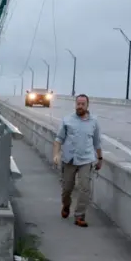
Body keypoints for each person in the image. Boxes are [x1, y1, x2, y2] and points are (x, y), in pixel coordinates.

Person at [52, 94, 102, 227]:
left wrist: (100, 158)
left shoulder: (94, 122)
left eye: (82, 104)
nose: (80, 106)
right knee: (67, 188)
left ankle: (79, 215)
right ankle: (66, 205)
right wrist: (56, 154)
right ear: (75, 104)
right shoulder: (67, 120)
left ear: (87, 105)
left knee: (85, 188)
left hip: (86, 159)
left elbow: (97, 142)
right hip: (69, 158)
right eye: (78, 104)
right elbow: (58, 139)